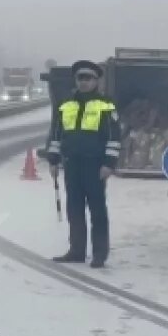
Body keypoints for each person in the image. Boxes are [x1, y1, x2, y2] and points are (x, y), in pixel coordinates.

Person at [45, 60, 120, 268]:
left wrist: (109, 163)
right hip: (72, 164)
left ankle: (99, 254)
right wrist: (53, 160)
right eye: (80, 78)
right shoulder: (66, 104)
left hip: (95, 165)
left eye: (88, 78)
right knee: (74, 209)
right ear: (75, 80)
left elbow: (114, 137)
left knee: (97, 210)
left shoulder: (106, 105)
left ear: (96, 81)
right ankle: (76, 250)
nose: (84, 82)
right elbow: (57, 135)